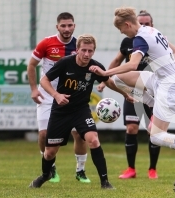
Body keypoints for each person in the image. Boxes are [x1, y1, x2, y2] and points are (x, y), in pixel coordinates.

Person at [89, 7, 175, 174]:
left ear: (127, 24)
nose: (122, 33)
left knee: (156, 137)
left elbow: (132, 65)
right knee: (119, 79)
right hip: (159, 79)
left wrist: (105, 73)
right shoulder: (150, 29)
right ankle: (152, 102)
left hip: (169, 87)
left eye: (120, 29)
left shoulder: (140, 38)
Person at [29, 34, 135, 189]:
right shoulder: (65, 63)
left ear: (93, 51)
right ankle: (46, 175)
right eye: (84, 50)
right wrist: (56, 95)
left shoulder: (95, 67)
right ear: (77, 50)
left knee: (93, 140)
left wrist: (125, 94)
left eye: (90, 51)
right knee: (50, 152)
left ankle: (105, 182)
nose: (87, 54)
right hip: (61, 112)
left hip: (81, 111)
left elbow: (109, 82)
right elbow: (44, 80)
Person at [97, 10, 175, 179]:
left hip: (152, 86)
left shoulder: (149, 37)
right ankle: (131, 169)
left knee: (154, 133)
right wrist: (105, 77)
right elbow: (117, 61)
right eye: (141, 22)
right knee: (132, 127)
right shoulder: (130, 41)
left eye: (146, 23)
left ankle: (152, 169)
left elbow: (174, 51)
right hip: (134, 89)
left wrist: (173, 70)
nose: (144, 25)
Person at [28, 12, 90, 183]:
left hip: (71, 96)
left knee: (79, 134)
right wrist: (34, 89)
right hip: (48, 95)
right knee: (44, 134)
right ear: (57, 27)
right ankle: (50, 166)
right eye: (63, 25)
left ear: (74, 26)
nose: (67, 29)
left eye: (70, 25)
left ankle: (80, 171)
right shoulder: (47, 43)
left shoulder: (79, 45)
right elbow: (31, 65)